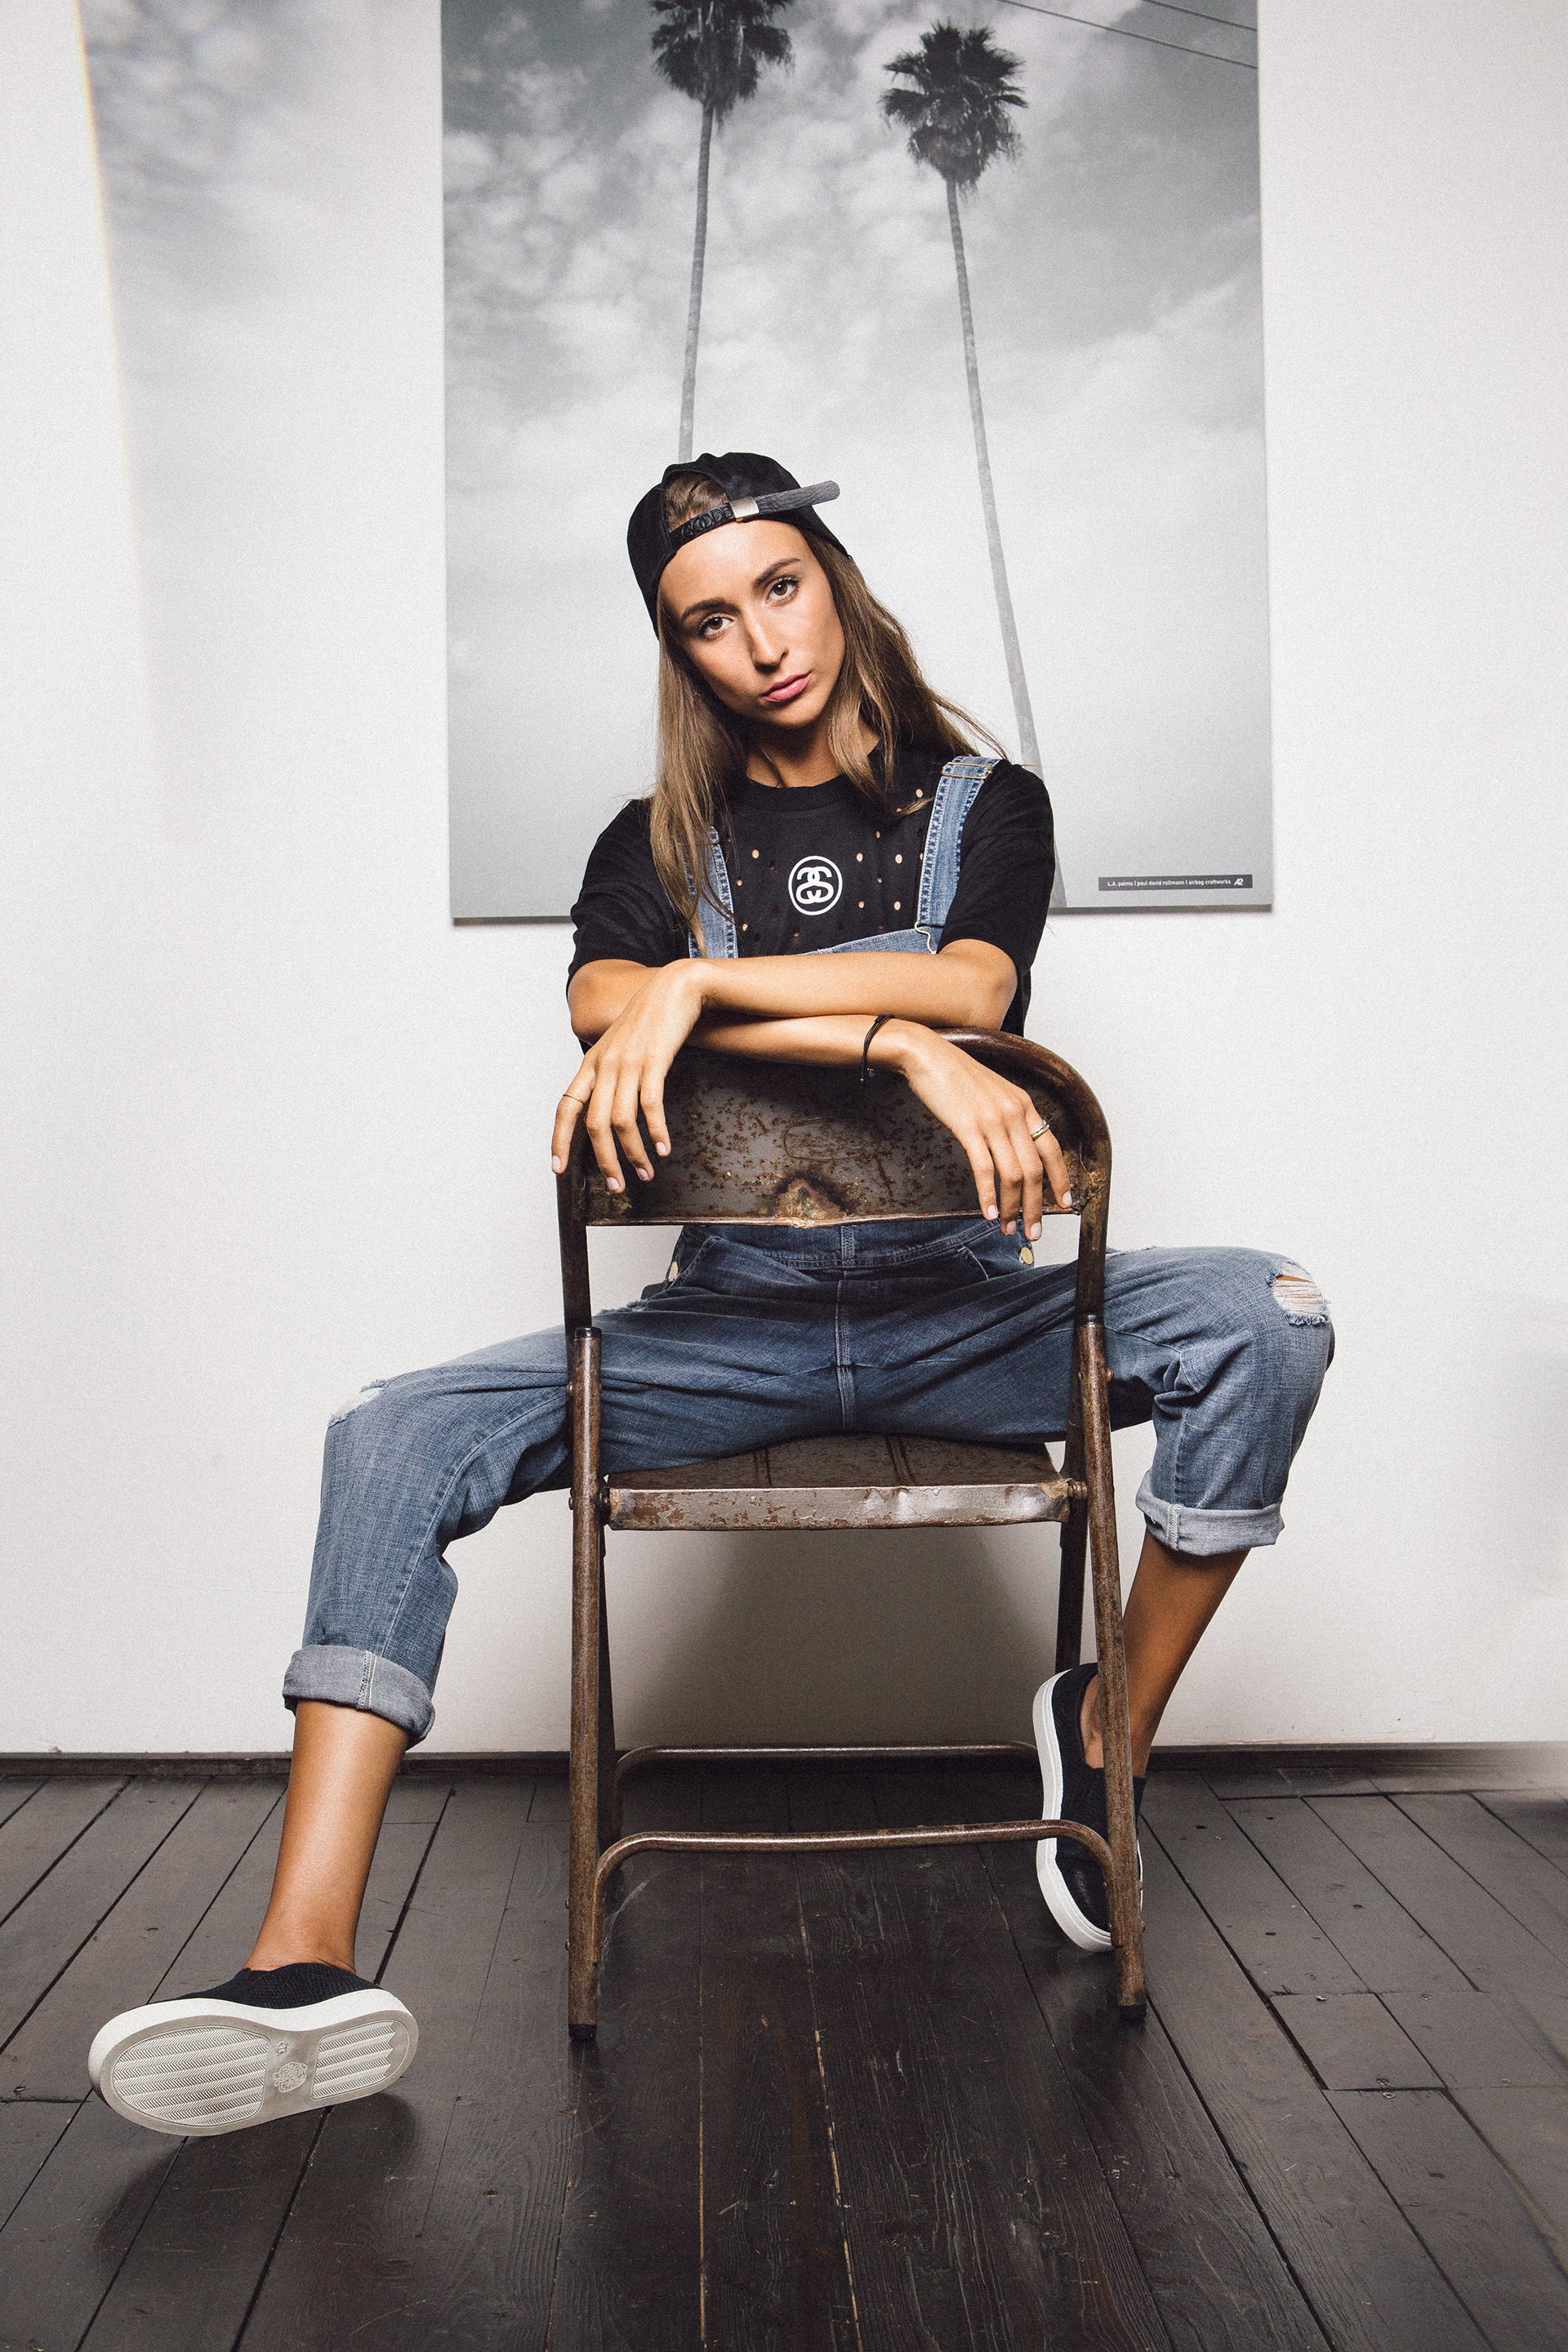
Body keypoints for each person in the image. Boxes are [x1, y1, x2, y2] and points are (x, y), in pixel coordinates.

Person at [89, 453, 1332, 2138]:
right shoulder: (655, 845)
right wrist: (870, 1032)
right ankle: (299, 1966)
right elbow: (604, 1003)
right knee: (388, 1435)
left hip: (965, 1319)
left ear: (835, 580)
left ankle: (1107, 1730)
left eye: (780, 587)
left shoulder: (983, 805)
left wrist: (723, 992)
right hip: (729, 1336)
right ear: (677, 651)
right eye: (707, 621)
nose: (760, 641)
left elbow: (975, 981)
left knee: (1270, 1312)